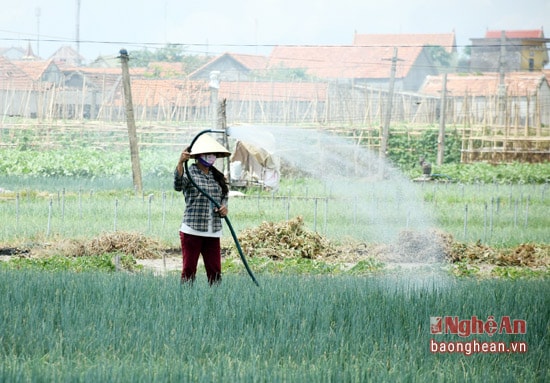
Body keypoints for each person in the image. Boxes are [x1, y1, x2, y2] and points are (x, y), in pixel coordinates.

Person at [174, 134, 231, 285]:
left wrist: (224, 208)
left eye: (213, 154)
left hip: (213, 230)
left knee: (215, 272)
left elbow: (224, 196)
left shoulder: (217, 176)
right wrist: (180, 163)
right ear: (198, 156)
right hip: (192, 230)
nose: (211, 157)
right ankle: (186, 299)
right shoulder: (190, 173)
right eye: (207, 154)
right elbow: (178, 185)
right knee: (189, 270)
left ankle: (215, 300)